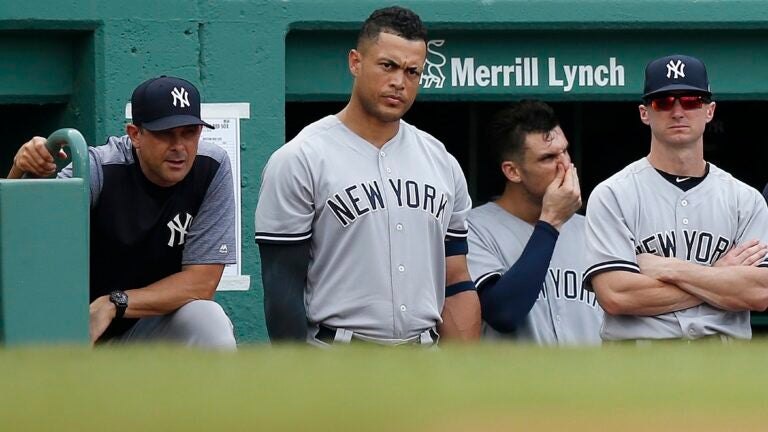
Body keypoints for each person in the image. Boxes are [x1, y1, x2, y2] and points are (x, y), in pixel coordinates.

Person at [254, 6, 480, 346]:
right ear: (355, 62)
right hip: (338, 356)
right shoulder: (301, 157)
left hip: (423, 358)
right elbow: (282, 285)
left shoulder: (441, 162)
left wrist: (459, 377)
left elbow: (457, 280)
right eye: (387, 65)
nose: (398, 82)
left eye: (412, 72)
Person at [8, 76, 237, 349]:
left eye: (189, 132)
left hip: (143, 326)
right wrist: (23, 172)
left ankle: (218, 393)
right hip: (78, 328)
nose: (179, 147)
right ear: (135, 134)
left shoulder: (211, 167)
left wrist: (113, 302)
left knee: (207, 317)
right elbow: (24, 233)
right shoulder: (99, 168)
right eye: (165, 134)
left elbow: (201, 284)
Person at [583, 54, 768, 342]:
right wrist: (718, 276)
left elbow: (759, 292)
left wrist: (669, 268)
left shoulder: (745, 199)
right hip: (636, 367)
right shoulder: (612, 195)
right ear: (645, 113)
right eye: (664, 102)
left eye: (691, 100)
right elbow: (617, 295)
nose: (678, 111)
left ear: (709, 111)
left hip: (721, 367)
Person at [467, 100, 602, 346]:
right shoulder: (474, 228)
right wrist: (550, 223)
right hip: (518, 383)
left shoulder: (593, 228)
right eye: (548, 157)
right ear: (513, 171)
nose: (565, 165)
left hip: (592, 382)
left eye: (565, 151)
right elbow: (503, 314)